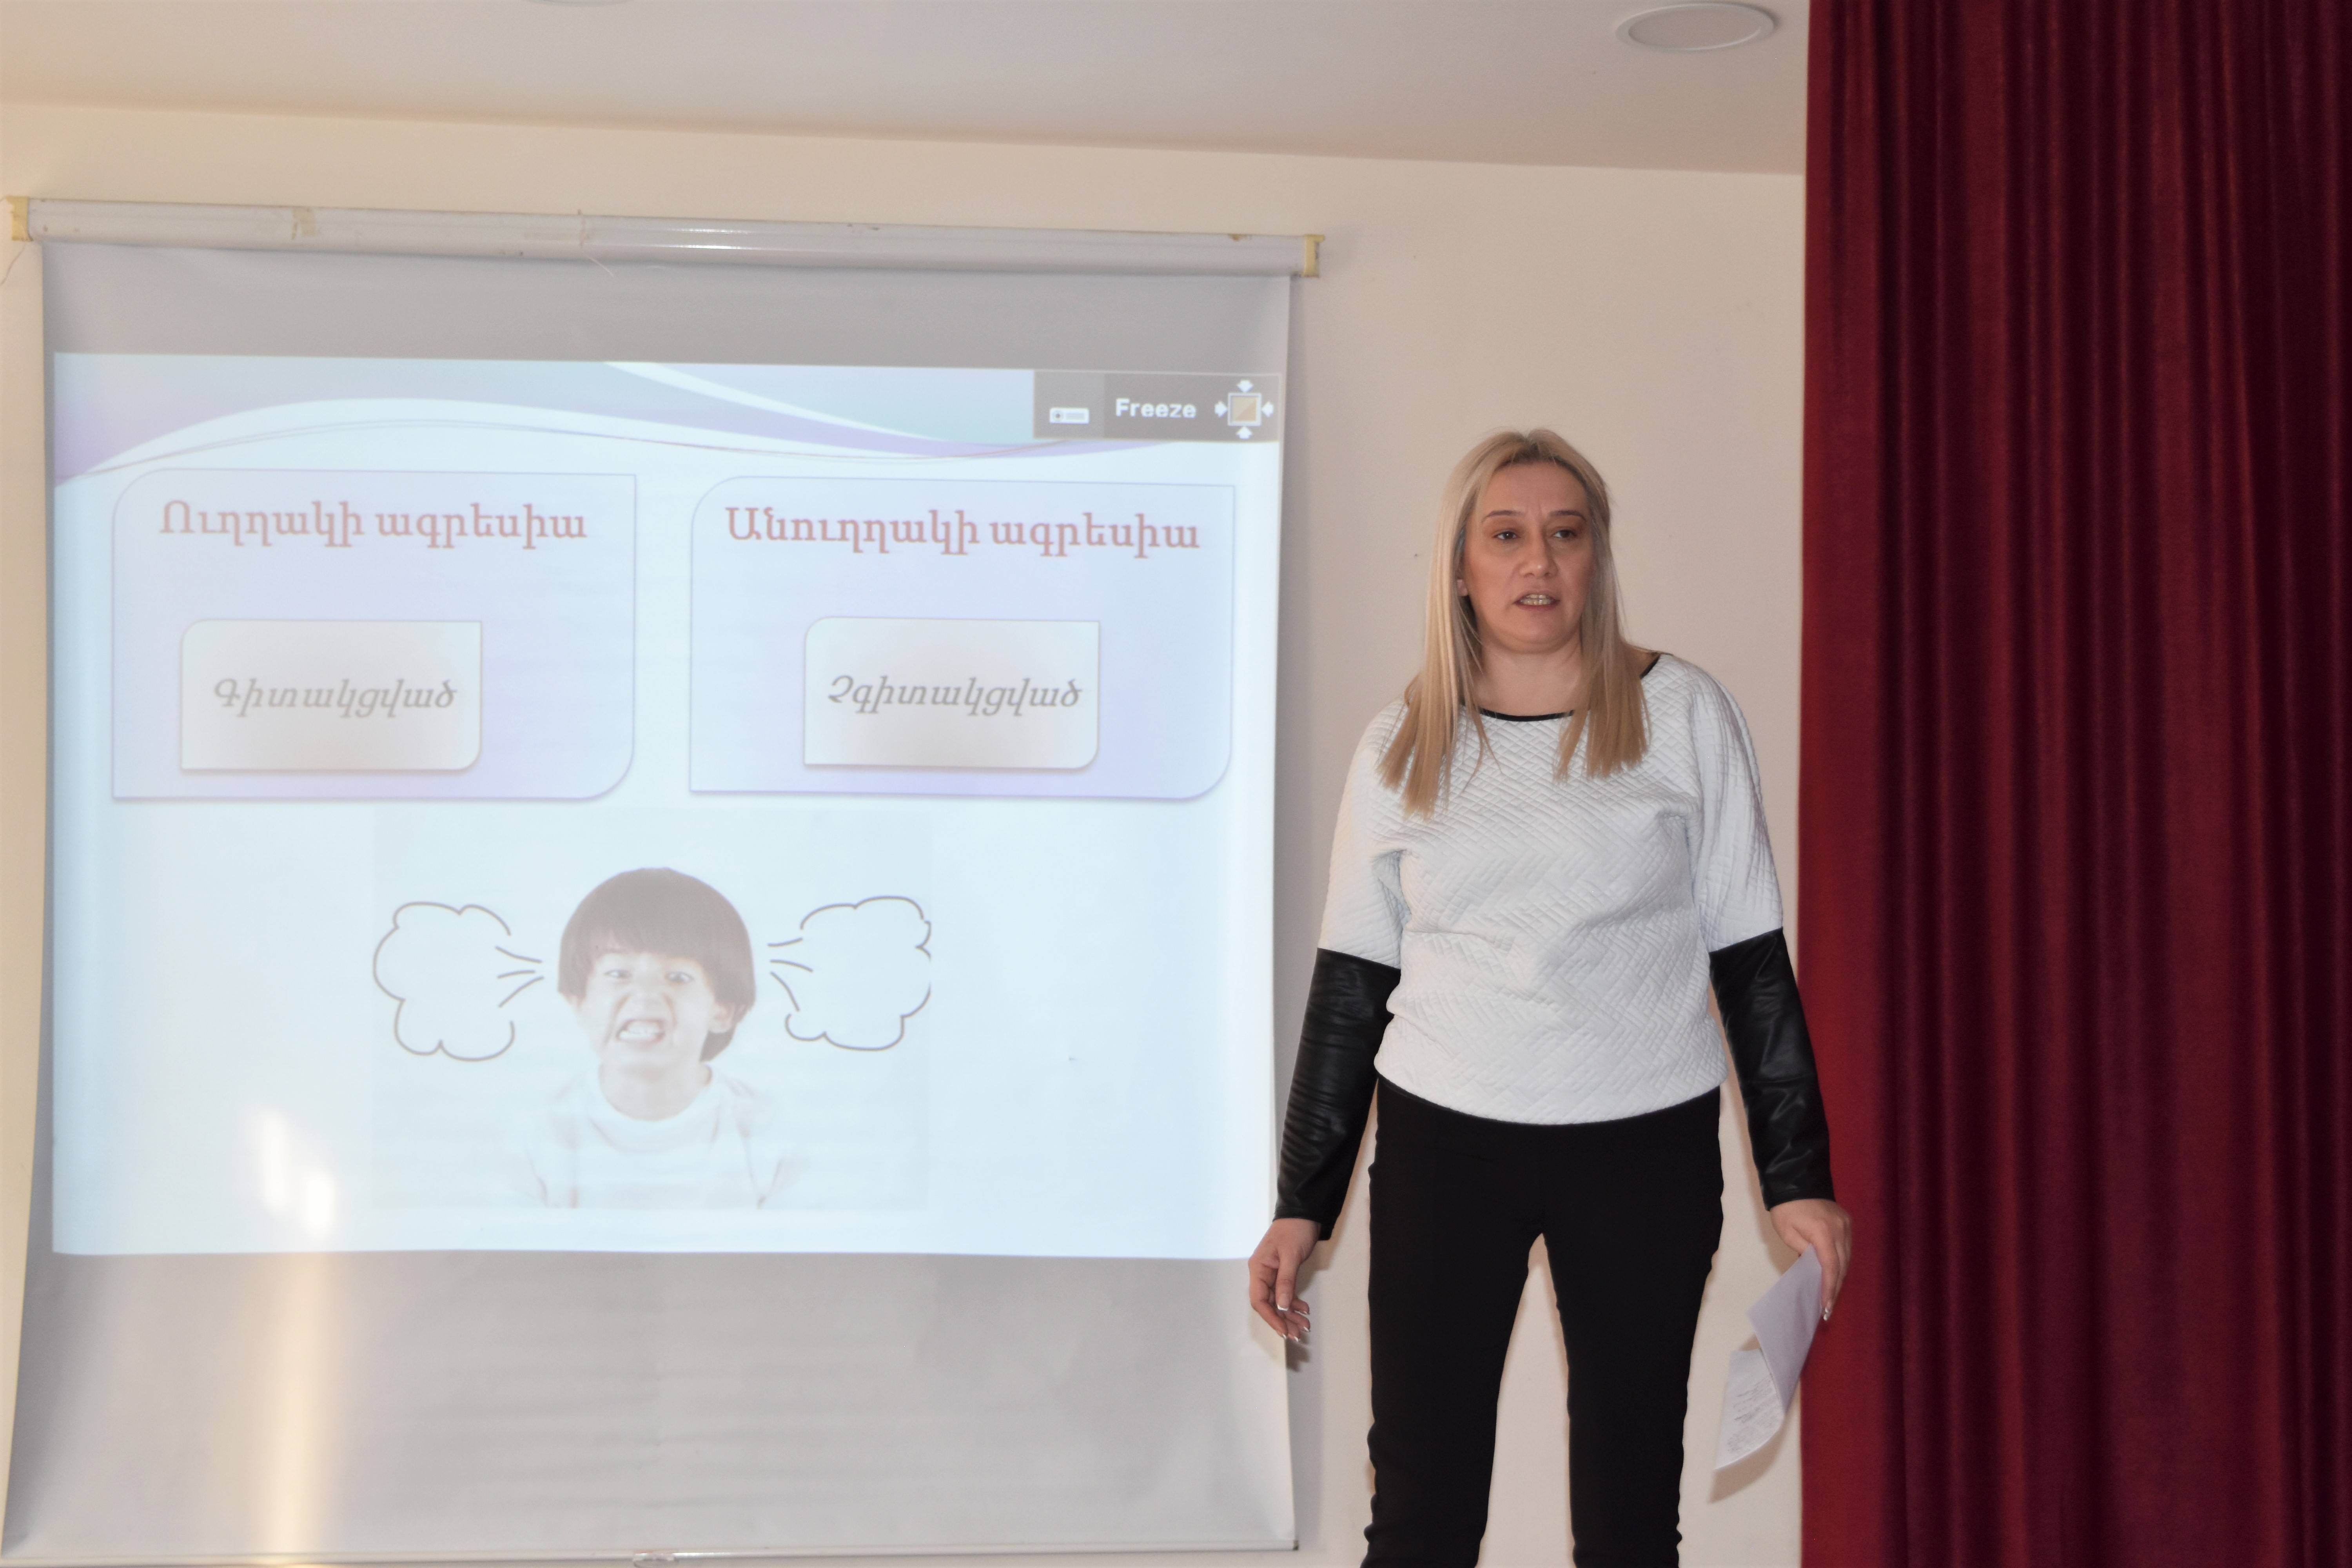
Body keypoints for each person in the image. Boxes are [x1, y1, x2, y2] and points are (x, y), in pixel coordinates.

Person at [1247, 430, 1852, 1568]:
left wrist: (1798, 1175)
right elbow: (1351, 988)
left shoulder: (1684, 715)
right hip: (1446, 1144)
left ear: (1597, 557)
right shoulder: (1400, 744)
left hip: (1645, 1147)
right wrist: (1301, 1205)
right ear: (1461, 568)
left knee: (1630, 1522)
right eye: (1508, 536)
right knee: (1420, 1520)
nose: (1539, 562)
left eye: (1566, 534)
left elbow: (1751, 962)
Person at [514, 867, 791, 1208]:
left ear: (723, 1010)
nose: (644, 996)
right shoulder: (535, 1135)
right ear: (579, 1002)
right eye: (619, 973)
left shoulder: (769, 1134)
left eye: (677, 977)